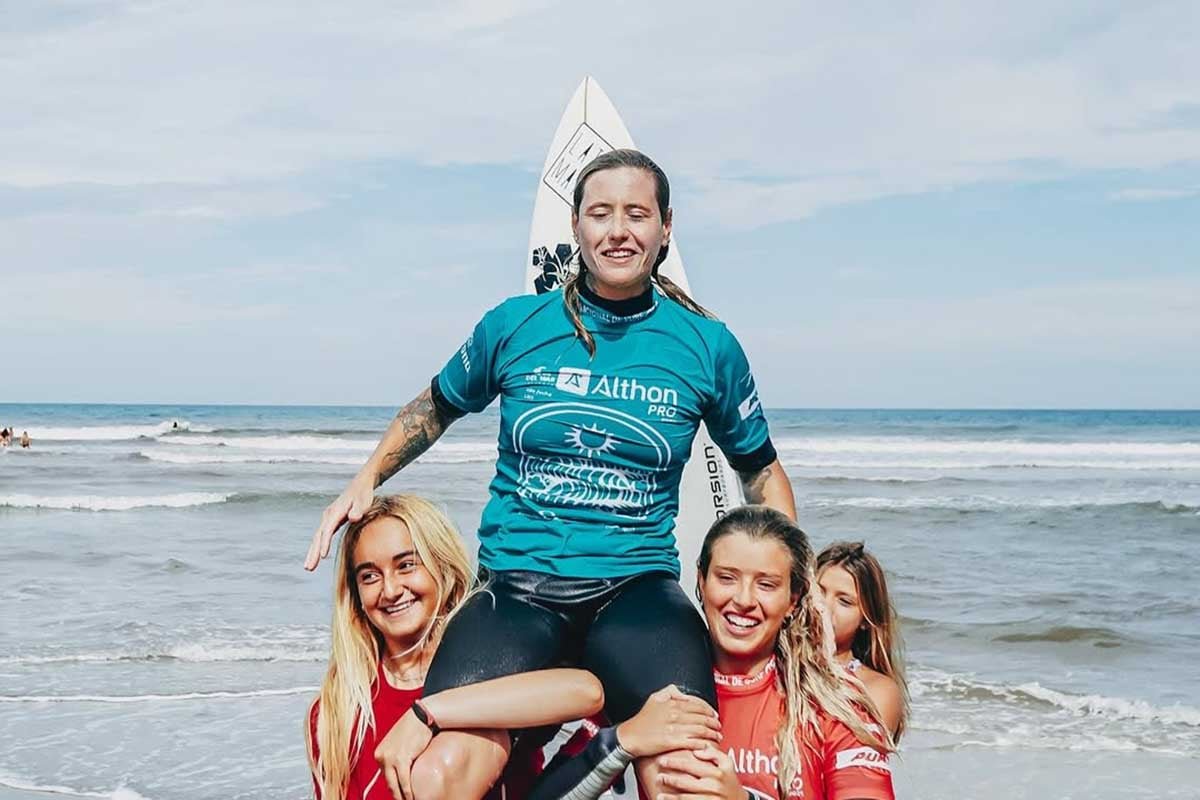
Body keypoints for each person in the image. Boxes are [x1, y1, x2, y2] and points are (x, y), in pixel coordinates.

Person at [306, 148, 796, 798]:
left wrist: (797, 584)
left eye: (636, 214)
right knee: (435, 772)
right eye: (600, 213)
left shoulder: (708, 347)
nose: (617, 230)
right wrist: (367, 476)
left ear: (665, 228)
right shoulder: (514, 326)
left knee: (690, 775)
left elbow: (760, 470)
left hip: (639, 593)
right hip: (516, 592)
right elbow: (436, 405)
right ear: (575, 225)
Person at [524, 505, 895, 800]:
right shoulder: (649, 684)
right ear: (700, 581)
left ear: (793, 599)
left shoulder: (837, 704)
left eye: (766, 584)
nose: (744, 600)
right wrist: (623, 741)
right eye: (726, 578)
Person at [306, 494, 607, 800]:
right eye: (370, 576)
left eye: (406, 565)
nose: (391, 590)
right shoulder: (336, 710)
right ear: (356, 594)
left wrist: (428, 713)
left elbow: (587, 693)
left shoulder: (494, 666)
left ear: (442, 567)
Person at [816, 542, 908, 740]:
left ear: (865, 621)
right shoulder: (772, 666)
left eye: (844, 601)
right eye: (818, 592)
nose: (824, 607)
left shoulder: (876, 691)